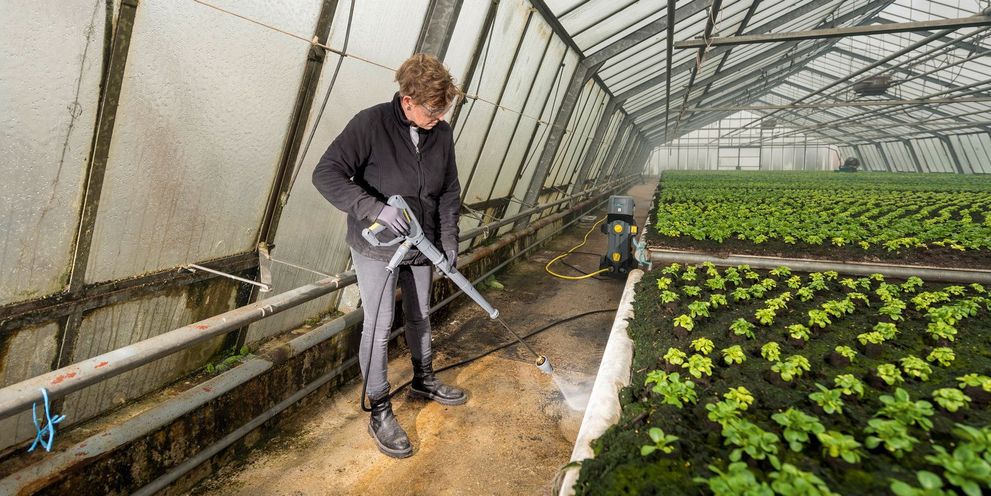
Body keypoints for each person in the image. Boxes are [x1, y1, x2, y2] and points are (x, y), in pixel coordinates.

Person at [312, 53, 465, 459]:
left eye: (444, 109)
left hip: (422, 243)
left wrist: (448, 239)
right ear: (407, 99)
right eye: (433, 109)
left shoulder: (441, 133)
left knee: (420, 315)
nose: (439, 116)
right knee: (379, 327)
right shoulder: (370, 124)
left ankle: (424, 379)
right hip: (377, 247)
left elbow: (449, 190)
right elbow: (325, 173)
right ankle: (379, 408)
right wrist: (375, 209)